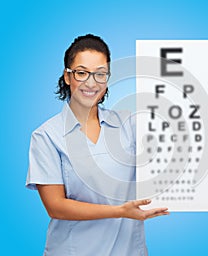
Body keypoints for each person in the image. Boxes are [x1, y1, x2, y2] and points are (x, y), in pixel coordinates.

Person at [26, 34, 169, 256]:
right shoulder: (47, 136)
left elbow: (171, 142)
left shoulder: (129, 124)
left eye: (100, 74)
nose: (91, 83)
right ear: (67, 76)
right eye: (82, 73)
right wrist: (120, 211)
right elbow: (55, 206)